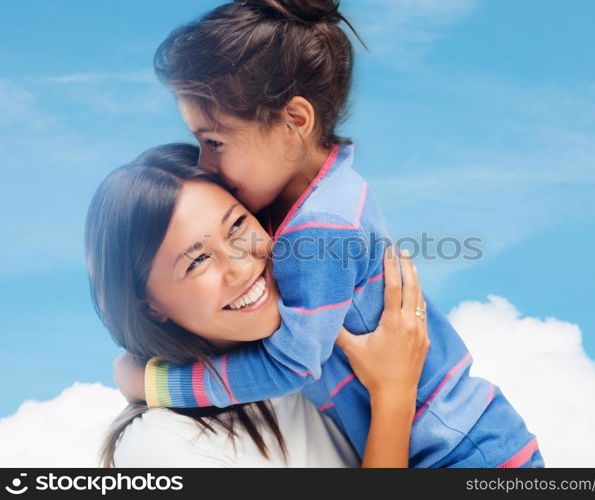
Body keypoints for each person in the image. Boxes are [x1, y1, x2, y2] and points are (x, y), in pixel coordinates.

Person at [115, 0, 544, 467]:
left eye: (214, 141)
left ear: (295, 123)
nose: (205, 163)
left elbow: (291, 364)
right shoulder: (325, 189)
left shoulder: (320, 228)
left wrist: (157, 384)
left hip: (463, 452)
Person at [87, 143, 430, 467]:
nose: (240, 267)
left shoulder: (318, 339)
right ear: (150, 308)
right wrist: (394, 394)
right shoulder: (161, 445)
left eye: (237, 225)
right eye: (197, 261)